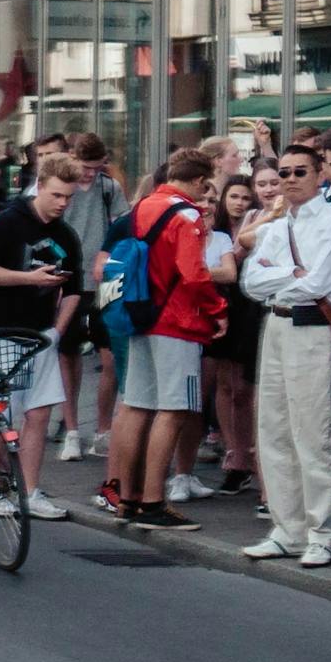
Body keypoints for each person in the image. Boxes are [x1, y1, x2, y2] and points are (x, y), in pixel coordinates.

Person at [232, 142, 331, 565]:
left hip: (310, 327)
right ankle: (288, 528)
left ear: (320, 174)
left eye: (300, 171)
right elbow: (250, 281)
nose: (290, 180)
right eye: (284, 173)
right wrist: (289, 274)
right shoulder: (277, 224)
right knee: (275, 430)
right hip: (277, 323)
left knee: (314, 431)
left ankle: (322, 532)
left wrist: (280, 278)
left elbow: (319, 283)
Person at [105, 149, 226, 533]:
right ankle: (155, 501)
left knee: (138, 404)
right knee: (173, 410)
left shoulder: (145, 205)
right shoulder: (186, 215)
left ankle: (127, 496)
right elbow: (193, 273)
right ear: (199, 180)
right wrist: (218, 308)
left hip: (141, 313)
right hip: (176, 321)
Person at [0, 157, 84, 521]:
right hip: (0, 330)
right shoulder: (8, 222)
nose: (62, 203)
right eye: (56, 195)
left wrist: (57, 330)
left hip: (40, 336)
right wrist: (30, 279)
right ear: (41, 186)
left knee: (38, 413)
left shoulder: (66, 234)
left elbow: (74, 290)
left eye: (68, 197)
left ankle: (31, 490)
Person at [54, 134, 126, 462]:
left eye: (96, 169)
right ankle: (71, 430)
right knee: (68, 355)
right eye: (85, 168)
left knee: (109, 357)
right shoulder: (61, 189)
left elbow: (122, 226)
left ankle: (102, 430)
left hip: (102, 281)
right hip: (69, 280)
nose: (89, 175)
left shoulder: (108, 187)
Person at [195, 171, 263, 508]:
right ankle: (235, 453)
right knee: (223, 383)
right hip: (219, 303)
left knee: (244, 387)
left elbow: (236, 262)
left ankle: (248, 453)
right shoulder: (215, 229)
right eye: (233, 197)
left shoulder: (258, 224)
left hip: (248, 306)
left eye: (245, 198)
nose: (238, 203)